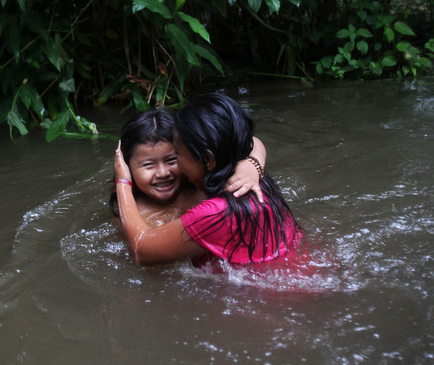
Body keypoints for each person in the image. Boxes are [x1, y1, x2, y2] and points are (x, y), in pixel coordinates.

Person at [114, 92, 301, 266]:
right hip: (297, 262)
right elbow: (251, 142)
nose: (164, 172)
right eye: (148, 164)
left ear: (209, 160)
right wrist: (254, 163)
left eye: (176, 155)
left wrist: (122, 181)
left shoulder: (216, 212)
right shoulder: (250, 178)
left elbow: (141, 250)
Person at [108, 109, 267, 226]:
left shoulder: (201, 188)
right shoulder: (131, 213)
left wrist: (252, 164)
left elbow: (252, 141)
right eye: (149, 165)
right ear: (126, 166)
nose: (163, 173)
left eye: (172, 160)